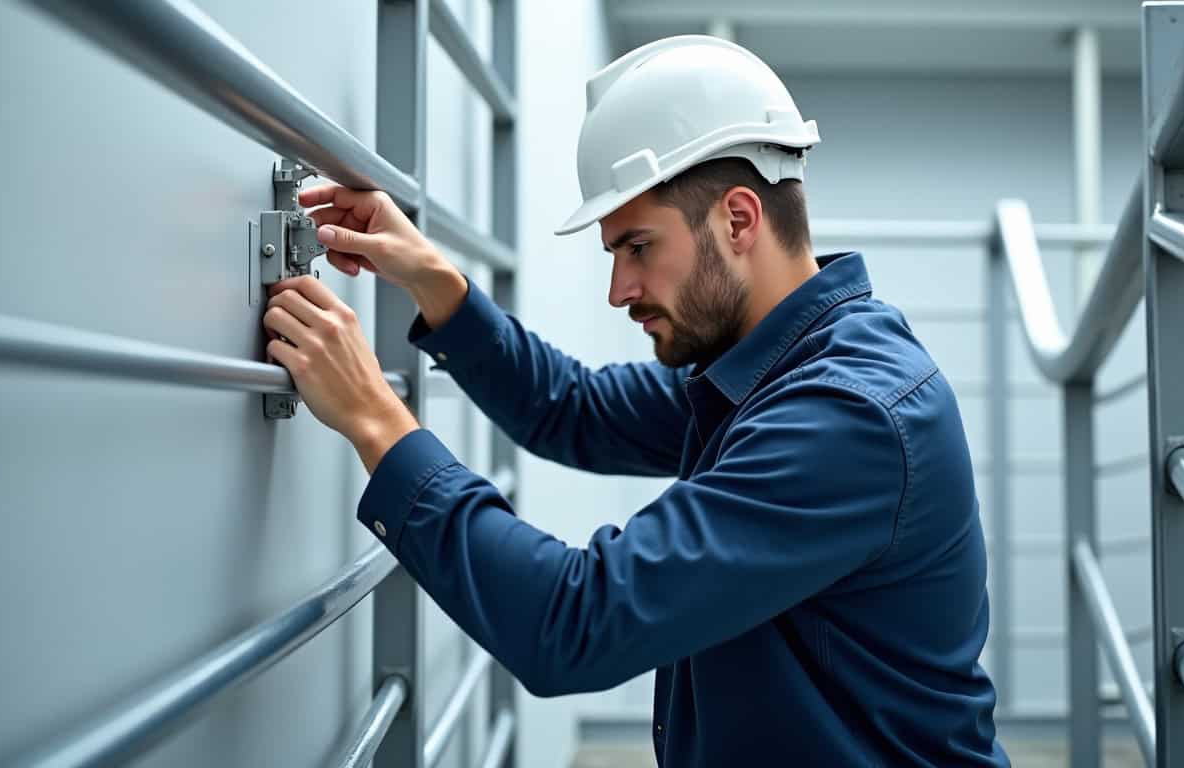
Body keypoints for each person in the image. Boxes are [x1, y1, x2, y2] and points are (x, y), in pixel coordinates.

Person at [262, 36, 1009, 767]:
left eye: (639, 247)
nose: (619, 290)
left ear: (739, 220)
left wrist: (376, 421)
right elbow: (572, 409)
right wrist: (435, 281)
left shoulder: (844, 417)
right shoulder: (771, 368)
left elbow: (574, 624)